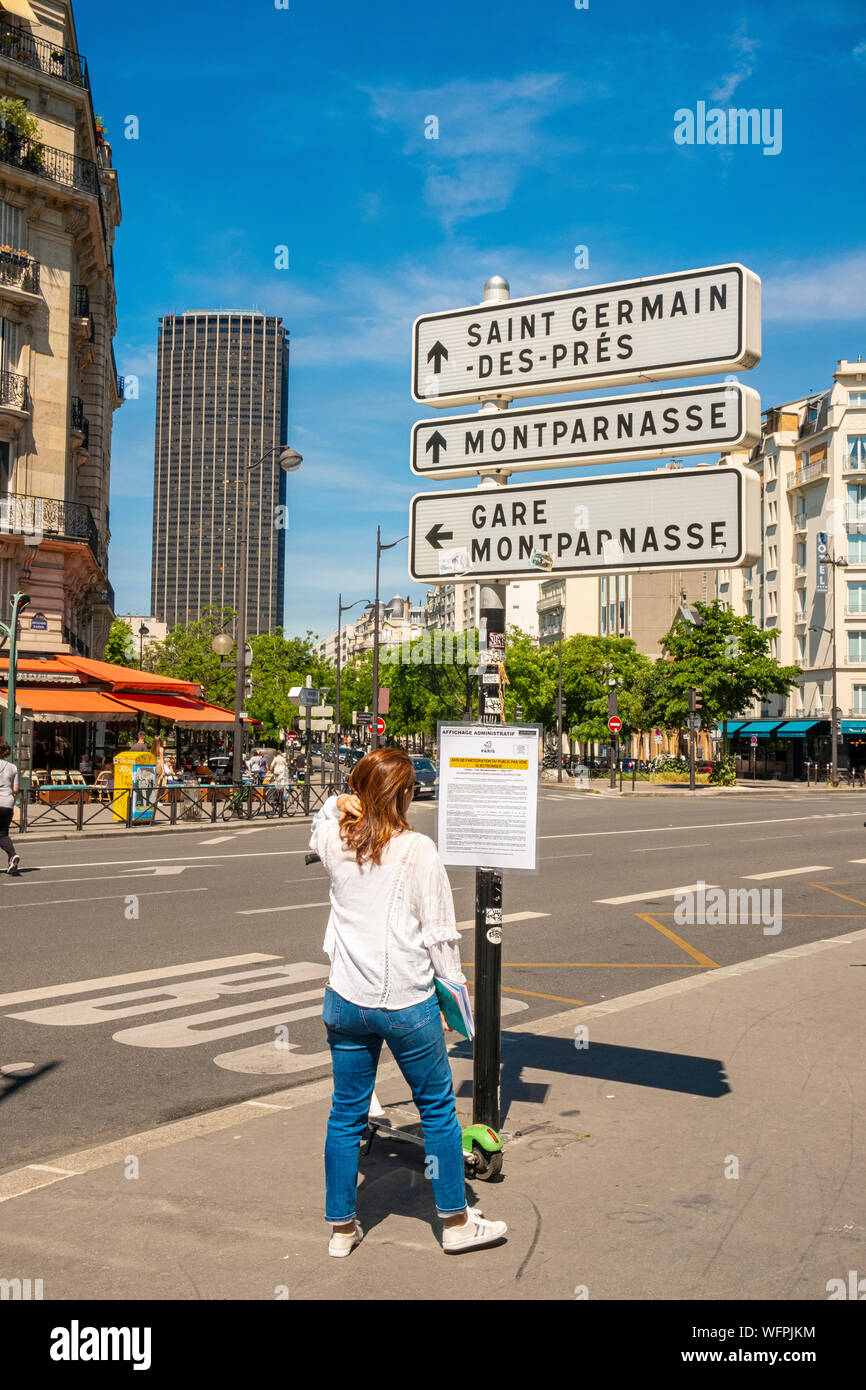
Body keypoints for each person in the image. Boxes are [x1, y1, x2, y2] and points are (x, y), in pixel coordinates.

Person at [310, 747, 507, 1259]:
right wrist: (454, 995)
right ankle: (456, 1222)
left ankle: (340, 1229)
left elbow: (321, 821)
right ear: (404, 794)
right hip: (404, 1000)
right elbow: (440, 934)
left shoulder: (334, 841)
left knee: (345, 1115)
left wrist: (339, 803)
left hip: (345, 998)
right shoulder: (417, 848)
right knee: (438, 1111)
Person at [0, 739, 21, 875]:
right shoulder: (13, 767)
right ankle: (12, 856)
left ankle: (12, 856)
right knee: (2, 834)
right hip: (7, 804)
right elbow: (15, 790)